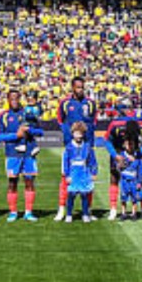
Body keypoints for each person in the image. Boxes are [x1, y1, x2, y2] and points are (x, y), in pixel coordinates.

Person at [54, 76, 97, 221]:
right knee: (65, 178)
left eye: (82, 87)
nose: (80, 90)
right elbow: (60, 120)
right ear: (72, 88)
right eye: (77, 87)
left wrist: (90, 142)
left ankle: (88, 211)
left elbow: (93, 122)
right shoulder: (65, 103)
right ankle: (62, 209)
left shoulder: (90, 103)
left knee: (88, 179)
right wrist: (68, 137)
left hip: (86, 146)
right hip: (70, 146)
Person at [0, 89, 43, 221]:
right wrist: (16, 135)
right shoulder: (3, 116)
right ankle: (13, 212)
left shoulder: (28, 113)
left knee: (29, 182)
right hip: (12, 154)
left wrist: (30, 130)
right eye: (12, 99)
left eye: (17, 98)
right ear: (8, 100)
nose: (15, 101)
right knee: (12, 183)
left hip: (28, 154)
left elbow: (40, 132)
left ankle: (28, 212)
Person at [61, 121, 98, 223]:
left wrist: (94, 173)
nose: (79, 136)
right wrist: (67, 174)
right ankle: (69, 214)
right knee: (71, 195)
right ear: (72, 134)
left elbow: (92, 161)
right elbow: (66, 162)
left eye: (81, 133)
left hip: (84, 173)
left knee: (84, 194)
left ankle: (85, 214)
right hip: (73, 173)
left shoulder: (87, 147)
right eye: (76, 133)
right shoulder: (68, 147)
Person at [114, 120, 142, 221]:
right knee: (123, 197)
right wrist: (121, 164)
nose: (130, 146)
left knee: (134, 197)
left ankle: (134, 213)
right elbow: (118, 167)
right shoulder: (122, 156)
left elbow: (141, 170)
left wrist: (140, 181)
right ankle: (123, 212)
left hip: (134, 180)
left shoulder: (138, 157)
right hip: (124, 180)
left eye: (132, 144)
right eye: (128, 144)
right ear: (124, 145)